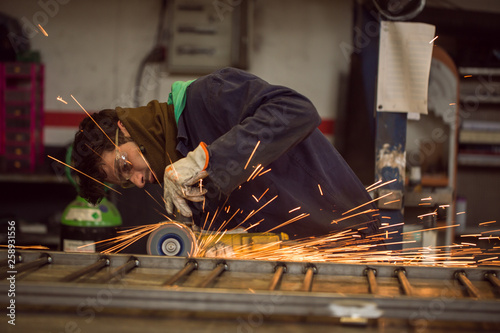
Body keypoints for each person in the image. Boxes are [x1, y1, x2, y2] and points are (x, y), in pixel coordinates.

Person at [72, 67, 380, 240]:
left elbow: (297, 111)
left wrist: (209, 160)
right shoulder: (176, 173)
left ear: (126, 130)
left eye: (125, 166)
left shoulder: (208, 97)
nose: (139, 182)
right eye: (126, 182)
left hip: (355, 236)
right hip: (304, 256)